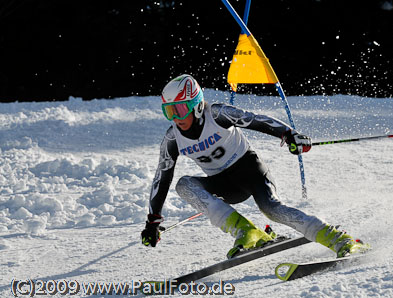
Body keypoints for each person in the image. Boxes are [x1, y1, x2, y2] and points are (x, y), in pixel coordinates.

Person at [141, 74, 369, 258]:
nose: (175, 117)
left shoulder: (218, 114)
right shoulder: (172, 138)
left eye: (179, 109)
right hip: (224, 186)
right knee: (184, 184)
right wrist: (153, 221)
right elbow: (162, 177)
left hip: (250, 171)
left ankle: (340, 239)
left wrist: (289, 134)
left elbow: (256, 119)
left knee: (272, 209)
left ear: (196, 105)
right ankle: (247, 232)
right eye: (169, 111)